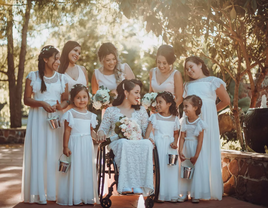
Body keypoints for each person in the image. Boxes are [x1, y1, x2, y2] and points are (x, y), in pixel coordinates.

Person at [22, 45, 69, 204]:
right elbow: (26, 99)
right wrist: (41, 103)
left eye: (58, 58)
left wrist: (60, 106)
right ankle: (38, 192)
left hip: (55, 119)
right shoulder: (32, 76)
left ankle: (55, 191)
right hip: (38, 120)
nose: (58, 61)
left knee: (55, 153)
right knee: (39, 152)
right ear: (45, 59)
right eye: (55, 58)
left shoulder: (63, 78)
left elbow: (66, 99)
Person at [183, 56, 230, 200]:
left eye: (191, 67)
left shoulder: (213, 81)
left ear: (200, 64)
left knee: (206, 149)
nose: (189, 70)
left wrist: (210, 111)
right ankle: (190, 189)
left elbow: (226, 101)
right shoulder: (187, 85)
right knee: (192, 149)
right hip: (191, 121)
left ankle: (206, 189)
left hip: (207, 119)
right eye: (187, 69)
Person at [97, 79, 154, 195]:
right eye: (136, 92)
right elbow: (102, 129)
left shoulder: (141, 110)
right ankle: (126, 183)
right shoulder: (111, 110)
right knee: (124, 142)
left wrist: (150, 137)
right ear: (126, 93)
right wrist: (101, 133)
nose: (139, 96)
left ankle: (139, 184)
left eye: (139, 93)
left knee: (147, 143)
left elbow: (146, 131)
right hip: (118, 142)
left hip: (137, 142)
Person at [57, 84, 99, 205]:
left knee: (85, 169)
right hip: (75, 144)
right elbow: (67, 131)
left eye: (84, 97)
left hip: (86, 145)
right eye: (78, 97)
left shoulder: (91, 115)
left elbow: (91, 131)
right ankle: (75, 197)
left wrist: (98, 137)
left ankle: (86, 196)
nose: (82, 100)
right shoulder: (71, 113)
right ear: (73, 99)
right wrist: (65, 146)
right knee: (76, 169)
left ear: (88, 99)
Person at [144, 91, 180, 202]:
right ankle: (160, 194)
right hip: (159, 145)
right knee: (160, 169)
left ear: (169, 104)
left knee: (171, 169)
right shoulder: (154, 117)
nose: (157, 104)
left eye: (160, 102)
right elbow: (148, 131)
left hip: (170, 146)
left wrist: (175, 142)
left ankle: (172, 194)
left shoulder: (175, 118)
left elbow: (176, 133)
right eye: (157, 102)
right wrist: (149, 140)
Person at [178, 95, 210, 203]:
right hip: (186, 147)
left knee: (196, 171)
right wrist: (180, 151)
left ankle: (196, 193)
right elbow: (182, 137)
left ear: (195, 107)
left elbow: (200, 140)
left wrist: (196, 156)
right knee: (185, 171)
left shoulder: (200, 123)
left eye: (187, 106)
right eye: (184, 106)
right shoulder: (184, 121)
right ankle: (185, 193)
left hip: (196, 149)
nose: (184, 109)